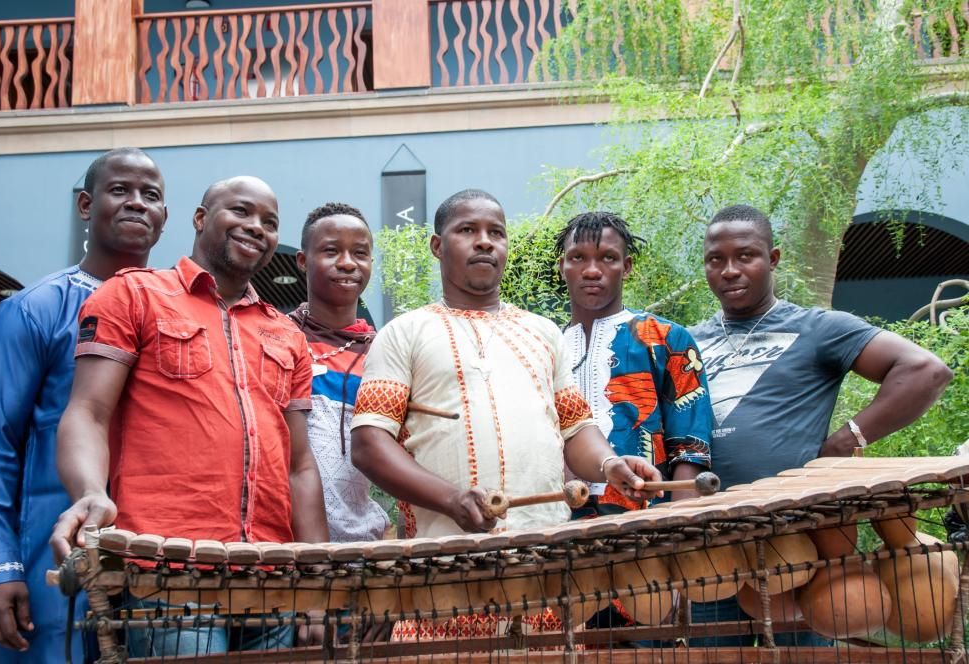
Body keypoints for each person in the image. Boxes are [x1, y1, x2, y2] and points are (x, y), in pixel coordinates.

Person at [350, 189, 663, 639]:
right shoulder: (404, 333)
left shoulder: (542, 334)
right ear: (438, 246)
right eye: (467, 231)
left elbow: (576, 429)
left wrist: (610, 464)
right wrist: (451, 500)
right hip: (444, 572)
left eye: (495, 232)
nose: (484, 242)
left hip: (541, 571)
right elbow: (370, 446)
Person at [50, 176, 329, 657]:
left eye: (269, 222)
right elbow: (88, 412)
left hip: (272, 576)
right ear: (201, 219)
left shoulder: (286, 335)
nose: (256, 227)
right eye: (240, 211)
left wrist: (317, 580)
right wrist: (90, 492)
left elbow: (301, 467)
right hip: (170, 574)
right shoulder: (134, 295)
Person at [689, 203, 953, 645]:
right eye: (717, 259)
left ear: (773, 259)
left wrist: (845, 441)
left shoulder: (818, 328)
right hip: (707, 548)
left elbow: (926, 370)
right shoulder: (686, 341)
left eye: (746, 256)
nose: (730, 270)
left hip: (801, 547)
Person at [0, 148, 167, 663]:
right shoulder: (33, 310)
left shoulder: (177, 319)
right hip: (51, 554)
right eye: (120, 190)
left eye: (151, 196)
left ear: (165, 218)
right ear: (86, 204)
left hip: (158, 564)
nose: (136, 204)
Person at [557, 211, 713, 634]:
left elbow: (690, 442)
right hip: (557, 528)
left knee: (642, 642)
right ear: (562, 265)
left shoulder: (666, 338)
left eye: (608, 257)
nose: (592, 269)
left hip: (644, 527)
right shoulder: (541, 345)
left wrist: (678, 533)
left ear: (626, 266)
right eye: (578, 257)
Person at [288, 202, 389, 543]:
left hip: (364, 547)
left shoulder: (384, 353)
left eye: (360, 253)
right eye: (331, 251)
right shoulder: (277, 338)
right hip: (281, 546)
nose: (347, 263)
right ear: (302, 261)